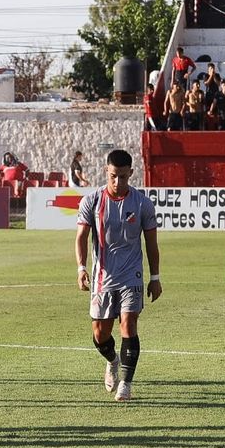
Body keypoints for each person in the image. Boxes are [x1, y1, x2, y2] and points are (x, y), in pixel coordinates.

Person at [75, 149, 161, 401]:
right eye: (113, 176)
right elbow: (81, 238)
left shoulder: (142, 203)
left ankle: (126, 382)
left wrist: (155, 277)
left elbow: (152, 244)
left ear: (131, 173)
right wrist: (81, 268)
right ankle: (113, 360)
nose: (118, 182)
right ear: (106, 172)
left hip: (131, 275)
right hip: (103, 276)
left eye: (123, 177)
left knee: (128, 324)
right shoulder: (91, 201)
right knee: (100, 334)